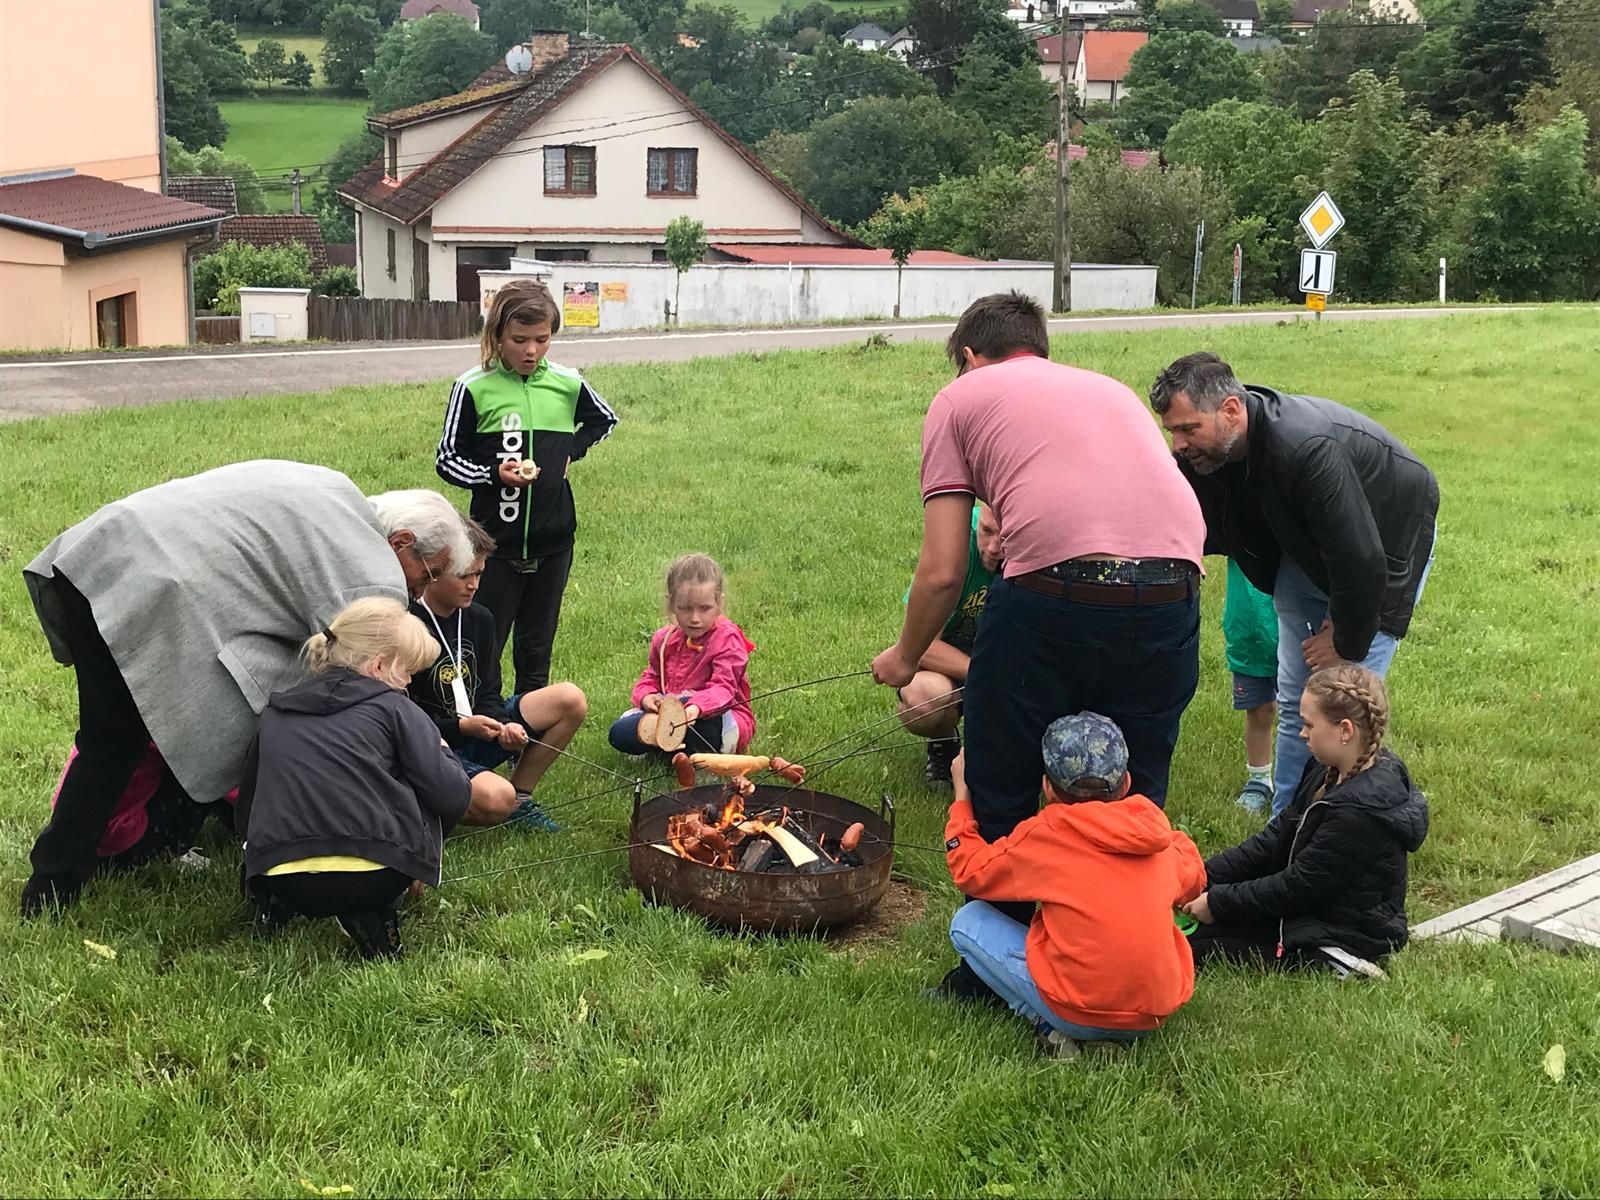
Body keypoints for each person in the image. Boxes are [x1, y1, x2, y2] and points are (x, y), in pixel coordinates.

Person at [868, 292, 1205, 999]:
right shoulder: (1107, 389)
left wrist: (902, 660)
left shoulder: (959, 399)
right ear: (1038, 349)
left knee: (1003, 763)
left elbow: (943, 570)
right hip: (1173, 591)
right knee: (1133, 780)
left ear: (967, 356)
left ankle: (1003, 968)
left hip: (1055, 589)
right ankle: (1132, 947)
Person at [20, 463, 472, 917]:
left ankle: (98, 862)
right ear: (402, 543)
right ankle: (57, 885)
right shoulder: (372, 571)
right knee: (136, 738)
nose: (420, 591)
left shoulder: (338, 493)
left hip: (96, 553)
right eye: (428, 574)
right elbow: (358, 701)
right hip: (147, 585)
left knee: (117, 737)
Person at [1150, 352, 1439, 815]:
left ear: (1230, 410)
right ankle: (1289, 823)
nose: (1179, 444)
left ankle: (1352, 821)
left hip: (1386, 541)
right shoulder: (1212, 452)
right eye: (1173, 432)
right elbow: (1178, 515)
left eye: (1188, 429)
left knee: (1344, 703)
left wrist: (1343, 636)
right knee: (1296, 699)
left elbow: (1361, 559)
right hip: (1305, 546)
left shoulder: (1304, 447)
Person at [943, 712, 1206, 1058]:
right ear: (1126, 781)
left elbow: (970, 871)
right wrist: (1170, 836)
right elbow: (1194, 879)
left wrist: (961, 801)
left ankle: (1049, 1024)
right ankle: (1106, 1034)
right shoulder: (1156, 836)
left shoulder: (1046, 835)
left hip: (1075, 1011)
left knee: (967, 923)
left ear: (1047, 786)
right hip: (1154, 1013)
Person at [237, 597, 471, 961]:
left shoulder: (276, 711)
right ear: (379, 665)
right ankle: (376, 911)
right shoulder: (397, 709)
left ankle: (272, 905)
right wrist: (441, 750)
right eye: (408, 670)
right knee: (425, 779)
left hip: (279, 873)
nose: (410, 682)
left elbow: (247, 809)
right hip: (373, 878)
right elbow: (454, 797)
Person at [1181, 665, 1428, 978]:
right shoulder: (1324, 768)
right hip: (1308, 907)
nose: (1301, 733)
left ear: (1345, 731)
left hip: (1347, 928)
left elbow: (1297, 886)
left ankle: (1339, 958)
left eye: (1310, 725)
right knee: (1187, 932)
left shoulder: (1360, 811)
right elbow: (1274, 839)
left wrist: (1218, 903)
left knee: (1190, 945)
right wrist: (1202, 876)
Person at [436, 280, 618, 694]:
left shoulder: (568, 383)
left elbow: (604, 419)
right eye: (519, 340)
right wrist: (492, 474)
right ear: (497, 336)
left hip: (554, 543)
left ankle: (532, 742)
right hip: (492, 548)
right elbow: (446, 459)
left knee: (536, 651)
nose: (531, 351)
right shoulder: (472, 387)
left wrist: (573, 448)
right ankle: (483, 735)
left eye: (542, 339)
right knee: (483, 647)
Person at [408, 519, 588, 834]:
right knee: (495, 799)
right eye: (464, 575)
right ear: (433, 572)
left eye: (479, 573)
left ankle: (521, 798)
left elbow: (489, 691)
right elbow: (404, 718)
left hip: (476, 730)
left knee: (569, 699)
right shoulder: (408, 625)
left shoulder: (480, 618)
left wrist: (503, 725)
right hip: (433, 746)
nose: (474, 585)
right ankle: (426, 804)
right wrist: (461, 726)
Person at [896, 505, 1001, 787]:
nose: (993, 548)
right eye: (987, 532)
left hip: (1007, 660)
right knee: (922, 698)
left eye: (1005, 538)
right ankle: (943, 740)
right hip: (951, 665)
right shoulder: (955, 545)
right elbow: (923, 644)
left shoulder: (1037, 550)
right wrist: (983, 674)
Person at [609, 554, 755, 757]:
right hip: (670, 712)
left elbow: (724, 689)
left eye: (705, 609)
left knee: (706, 728)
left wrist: (695, 707)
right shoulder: (664, 639)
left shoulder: (727, 638)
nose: (695, 618)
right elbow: (651, 677)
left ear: (719, 604)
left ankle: (680, 746)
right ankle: (670, 743)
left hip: (716, 716)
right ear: (671, 604)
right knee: (619, 731)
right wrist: (647, 698)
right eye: (685, 609)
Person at [1224, 559, 1279, 813]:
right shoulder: (1241, 520)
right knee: (1259, 709)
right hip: (1248, 631)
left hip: (1296, 630)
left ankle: (1309, 776)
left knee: (1308, 710)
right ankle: (1259, 779)